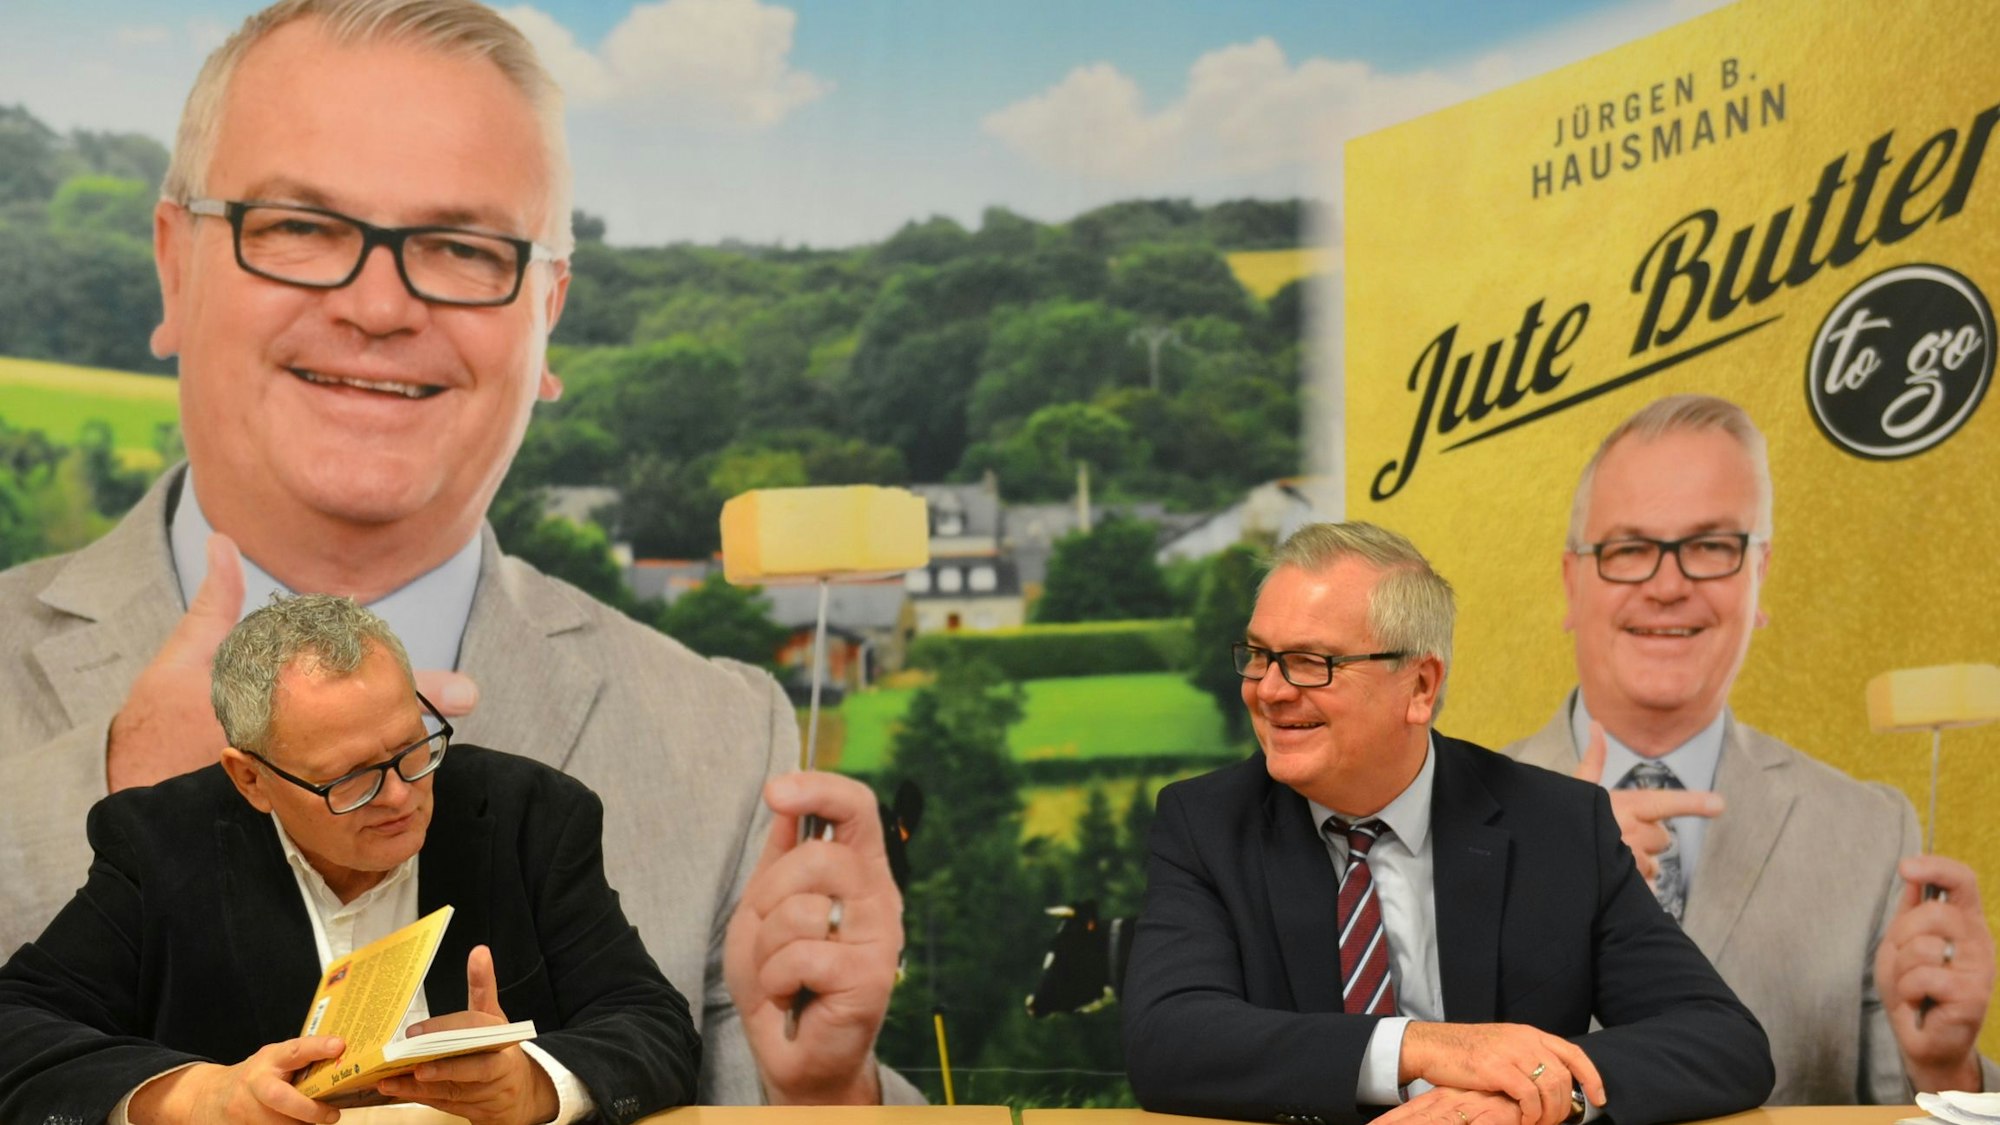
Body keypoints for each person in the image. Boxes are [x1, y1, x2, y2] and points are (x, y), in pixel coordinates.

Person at [0, 0, 912, 1105]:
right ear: (171, 266)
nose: (379, 305)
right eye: (298, 226)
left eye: (463, 247)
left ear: (548, 315)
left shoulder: (726, 749)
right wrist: (116, 799)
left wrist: (828, 1091)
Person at [1121, 521, 1772, 1125]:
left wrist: (1542, 1095)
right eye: (1260, 655)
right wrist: (1421, 1047)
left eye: (1313, 662)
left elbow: (1720, 1039)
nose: (1269, 689)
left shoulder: (1558, 824)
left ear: (1421, 686)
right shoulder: (1205, 821)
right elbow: (1169, 1039)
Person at [0, 594, 697, 1125]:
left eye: (411, 747)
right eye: (350, 779)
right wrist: (196, 1094)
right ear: (251, 779)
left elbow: (653, 1024)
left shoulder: (530, 816)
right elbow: (17, 1025)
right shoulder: (160, 843)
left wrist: (536, 1083)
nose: (401, 795)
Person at [1502, 392, 1998, 1104]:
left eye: (1710, 547)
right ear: (1572, 582)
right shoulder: (1450, 810)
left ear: (1758, 576)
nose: (1668, 585)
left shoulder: (1870, 833)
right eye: (1630, 549)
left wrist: (1949, 1071)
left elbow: (1900, 1113)